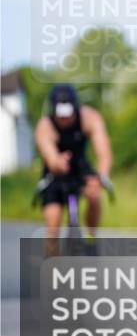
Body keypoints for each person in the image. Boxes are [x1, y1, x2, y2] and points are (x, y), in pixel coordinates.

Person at [34, 84, 113, 249]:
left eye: (68, 114)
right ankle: (52, 258)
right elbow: (49, 155)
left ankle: (91, 238)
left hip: (80, 167)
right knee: (53, 221)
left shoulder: (89, 117)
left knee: (94, 195)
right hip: (55, 173)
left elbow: (103, 152)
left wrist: (101, 176)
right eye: (60, 115)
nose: (64, 119)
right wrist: (57, 162)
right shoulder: (45, 126)